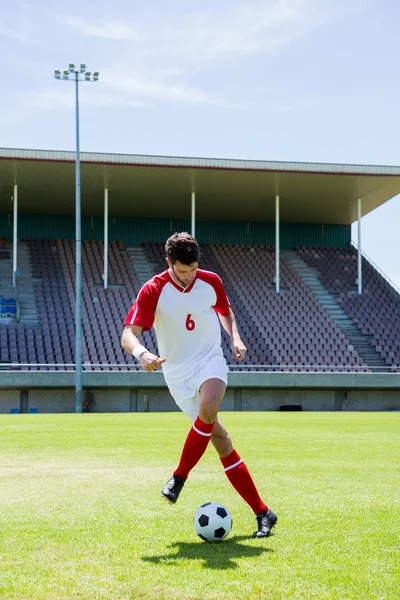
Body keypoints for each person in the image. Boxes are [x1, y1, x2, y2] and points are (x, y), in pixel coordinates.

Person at [121, 232, 277, 538]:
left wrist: (235, 337)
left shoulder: (211, 281)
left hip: (210, 360)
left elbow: (225, 311)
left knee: (209, 406)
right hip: (176, 374)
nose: (188, 276)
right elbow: (128, 334)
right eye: (181, 270)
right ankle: (264, 512)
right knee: (220, 440)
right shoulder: (153, 289)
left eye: (192, 269)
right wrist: (142, 353)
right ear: (169, 263)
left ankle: (178, 478)